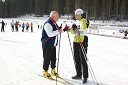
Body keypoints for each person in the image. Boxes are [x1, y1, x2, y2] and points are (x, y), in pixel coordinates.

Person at [63, 8, 89, 84]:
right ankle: (78, 74)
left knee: (83, 60)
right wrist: (69, 29)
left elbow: (84, 28)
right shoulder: (76, 21)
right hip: (76, 41)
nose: (75, 16)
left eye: (76, 14)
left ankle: (85, 77)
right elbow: (74, 32)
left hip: (82, 41)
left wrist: (82, 20)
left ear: (80, 14)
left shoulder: (85, 21)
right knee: (76, 58)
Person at [41, 11, 62, 79]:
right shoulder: (48, 24)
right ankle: (45, 71)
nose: (58, 17)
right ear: (53, 16)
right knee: (47, 58)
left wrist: (63, 29)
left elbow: (57, 31)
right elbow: (50, 34)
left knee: (53, 58)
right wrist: (58, 31)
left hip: (52, 44)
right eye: (57, 16)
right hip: (47, 44)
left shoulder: (54, 23)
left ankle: (53, 70)